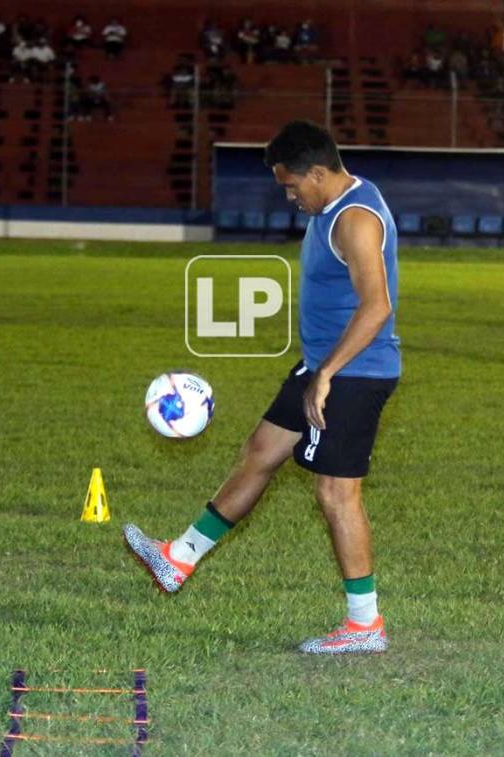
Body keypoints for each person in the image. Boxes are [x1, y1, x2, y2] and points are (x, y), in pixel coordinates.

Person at [123, 120, 401, 656]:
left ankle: (364, 624)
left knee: (335, 493)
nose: (289, 195)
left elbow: (377, 306)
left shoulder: (356, 221)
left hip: (354, 374)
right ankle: (179, 557)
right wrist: (317, 368)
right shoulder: (331, 205)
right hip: (322, 364)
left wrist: (326, 375)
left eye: (292, 185)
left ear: (318, 172)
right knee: (259, 452)